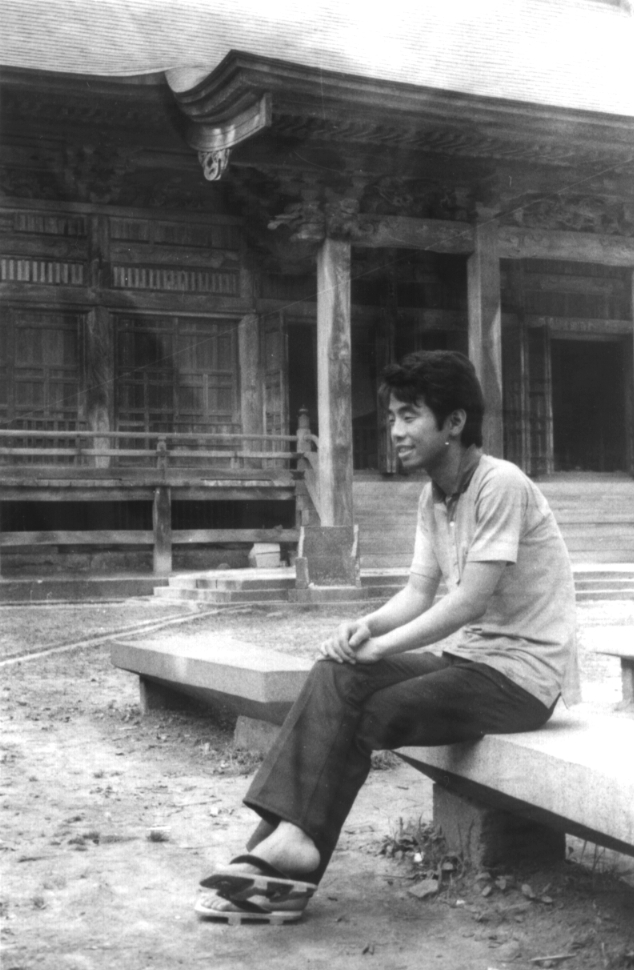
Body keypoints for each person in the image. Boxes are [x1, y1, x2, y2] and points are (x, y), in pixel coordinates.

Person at [195, 350, 579, 924]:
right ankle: (285, 848)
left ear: (454, 422)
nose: (395, 430)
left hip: (521, 680)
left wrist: (383, 648)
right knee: (336, 671)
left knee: (375, 709)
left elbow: (467, 601)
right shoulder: (434, 496)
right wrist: (366, 628)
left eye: (410, 415)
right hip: (469, 662)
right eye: (393, 416)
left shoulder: (501, 484)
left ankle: (281, 859)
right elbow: (419, 592)